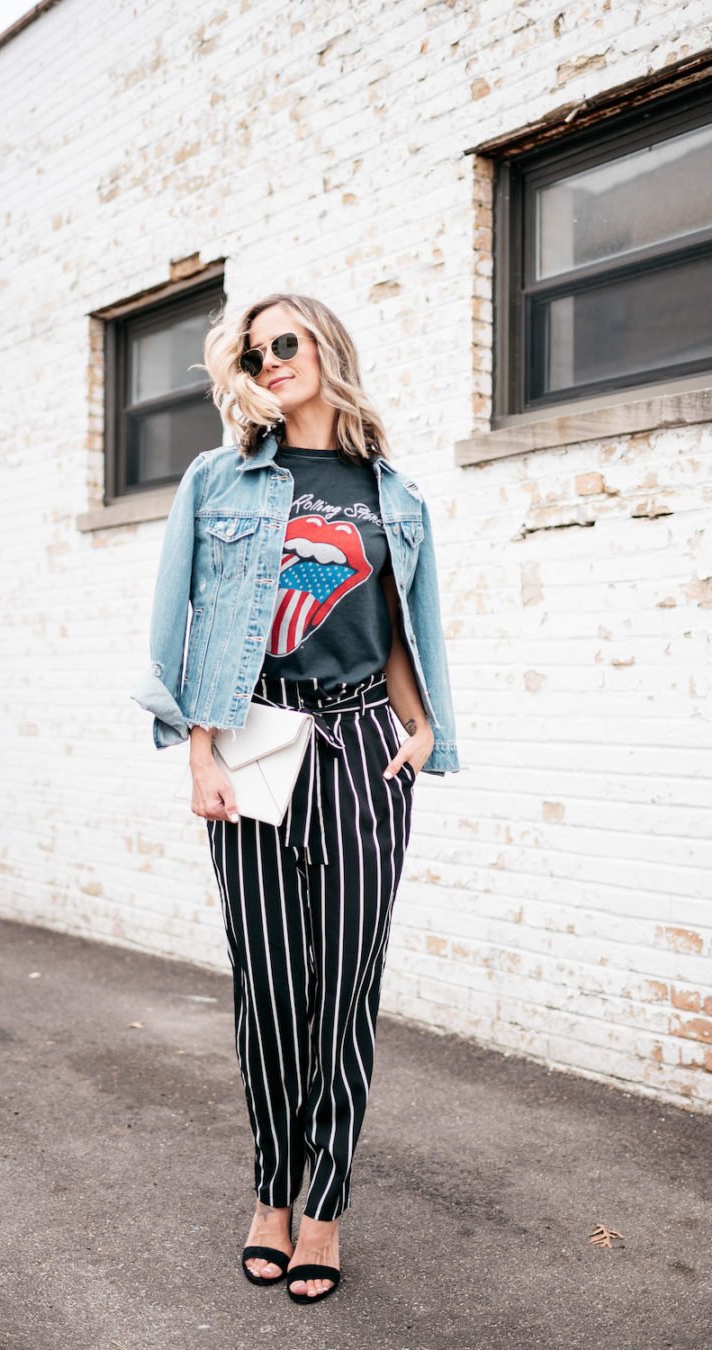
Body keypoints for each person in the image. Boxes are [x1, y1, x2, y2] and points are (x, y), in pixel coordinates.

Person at [131, 292, 459, 1304]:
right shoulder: (218, 478)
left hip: (363, 750)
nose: (269, 361)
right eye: (251, 353)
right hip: (255, 743)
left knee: (347, 992)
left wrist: (422, 726)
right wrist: (199, 753)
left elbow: (400, 630)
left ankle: (324, 1208)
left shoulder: (392, 493)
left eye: (285, 343)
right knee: (269, 990)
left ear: (326, 348)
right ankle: (272, 1191)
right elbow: (185, 620)